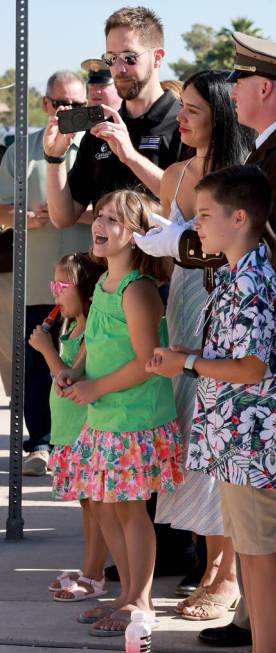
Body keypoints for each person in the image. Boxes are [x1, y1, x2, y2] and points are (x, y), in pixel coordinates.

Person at [134, 34, 276, 652]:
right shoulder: (271, 149)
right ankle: (261, 618)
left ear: (264, 88)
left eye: (242, 82)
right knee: (261, 513)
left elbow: (268, 242)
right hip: (260, 334)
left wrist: (180, 241)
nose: (234, 92)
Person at [147, 165, 276, 653]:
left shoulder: (251, 281)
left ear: (238, 218)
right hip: (235, 441)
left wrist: (184, 361)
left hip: (250, 443)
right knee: (252, 557)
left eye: (205, 215)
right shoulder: (235, 274)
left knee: (258, 558)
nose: (196, 226)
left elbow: (251, 368)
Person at [152, 69, 254, 620]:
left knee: (225, 439)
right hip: (183, 313)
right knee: (196, 439)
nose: (182, 117)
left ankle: (229, 574)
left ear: (220, 110)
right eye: (181, 107)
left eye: (192, 108)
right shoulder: (176, 173)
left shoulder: (243, 172)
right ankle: (212, 563)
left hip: (227, 313)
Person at [57, 189, 182, 635]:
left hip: (133, 420)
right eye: (101, 216)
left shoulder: (138, 290)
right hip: (104, 419)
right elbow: (94, 341)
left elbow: (148, 361)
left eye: (114, 220)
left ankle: (140, 600)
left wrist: (95, 387)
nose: (100, 224)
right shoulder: (105, 285)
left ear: (137, 237)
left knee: (130, 511)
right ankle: (124, 592)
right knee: (107, 510)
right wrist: (74, 372)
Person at [0, 70, 90, 476]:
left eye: (75, 104)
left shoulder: (100, 146)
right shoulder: (21, 150)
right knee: (36, 365)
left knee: (90, 362)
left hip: (92, 285)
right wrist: (18, 217)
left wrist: (74, 215)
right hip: (37, 281)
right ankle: (40, 443)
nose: (67, 111)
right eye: (59, 104)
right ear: (45, 105)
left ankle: (85, 441)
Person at [45, 6, 187, 226]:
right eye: (111, 58)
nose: (118, 68)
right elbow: (63, 218)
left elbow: (190, 204)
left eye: (129, 58)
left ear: (157, 58)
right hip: (109, 261)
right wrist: (54, 159)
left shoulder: (184, 122)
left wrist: (130, 156)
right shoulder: (100, 130)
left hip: (163, 260)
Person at [29, 253, 108, 601]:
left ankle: (94, 574)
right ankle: (89, 568)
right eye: (54, 285)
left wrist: (46, 350)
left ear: (87, 291)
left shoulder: (91, 329)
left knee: (98, 508)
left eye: (63, 285)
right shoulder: (71, 325)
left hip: (85, 432)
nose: (56, 293)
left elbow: (68, 376)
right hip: (68, 433)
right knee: (87, 506)